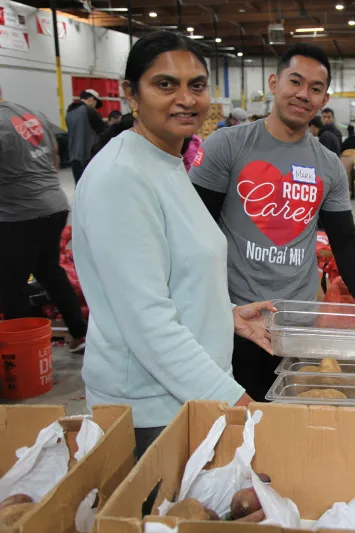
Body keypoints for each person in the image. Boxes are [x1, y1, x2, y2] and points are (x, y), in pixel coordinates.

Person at [72, 31, 274, 455]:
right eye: (165, 84)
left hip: (186, 394)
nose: (185, 98)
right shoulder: (121, 177)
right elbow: (147, 321)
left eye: (196, 85)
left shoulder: (166, 162)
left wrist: (224, 315)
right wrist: (237, 402)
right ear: (132, 94)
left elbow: (168, 276)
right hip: (151, 407)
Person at [189, 43, 355, 402]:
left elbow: (344, 237)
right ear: (274, 83)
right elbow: (193, 228)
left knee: (287, 421)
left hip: (296, 325)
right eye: (295, 81)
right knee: (231, 425)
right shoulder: (228, 145)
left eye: (315, 89)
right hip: (234, 319)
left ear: (324, 100)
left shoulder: (328, 164)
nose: (304, 94)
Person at [0, 85, 87, 353]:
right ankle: (79, 333)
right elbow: (56, 155)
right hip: (55, 204)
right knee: (50, 272)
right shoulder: (30, 113)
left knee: (10, 283)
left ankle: (22, 349)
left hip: (20, 214)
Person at [66, 88, 106, 183]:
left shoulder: (69, 112)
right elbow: (104, 132)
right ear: (91, 99)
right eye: (96, 104)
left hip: (74, 157)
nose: (95, 107)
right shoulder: (89, 111)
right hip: (89, 158)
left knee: (80, 187)